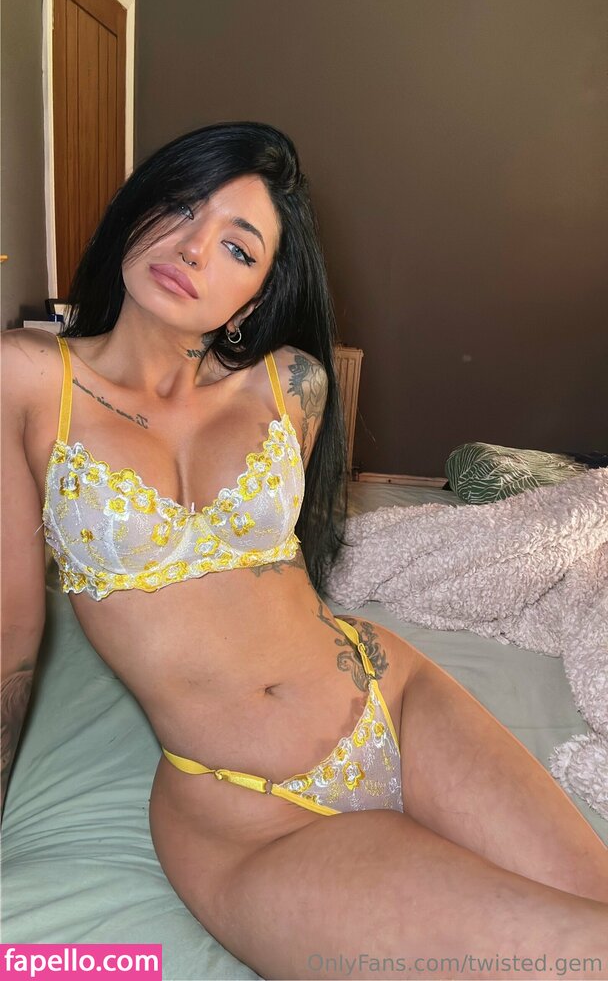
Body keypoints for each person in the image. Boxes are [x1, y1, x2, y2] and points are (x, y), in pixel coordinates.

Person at [1, 122, 607, 981]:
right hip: (245, 813)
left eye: (238, 247)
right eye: (181, 206)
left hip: (390, 699)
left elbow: (294, 563)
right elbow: (9, 639)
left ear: (254, 297)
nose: (193, 247)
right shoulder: (27, 378)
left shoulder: (292, 384)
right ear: (138, 210)